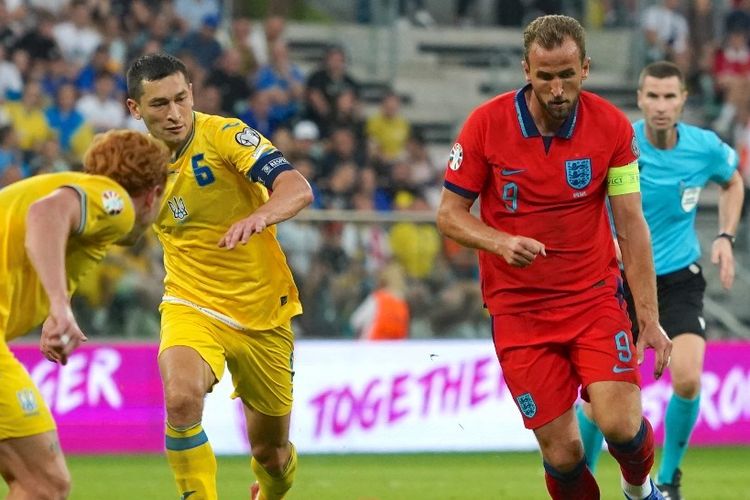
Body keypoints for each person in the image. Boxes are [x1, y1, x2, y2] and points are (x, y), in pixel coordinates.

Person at [436, 15, 672, 500]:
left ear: (585, 68)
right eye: (545, 76)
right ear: (526, 69)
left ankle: (640, 491)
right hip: (518, 311)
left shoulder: (610, 127)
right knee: (563, 455)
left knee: (621, 424)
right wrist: (500, 241)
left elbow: (630, 224)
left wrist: (648, 317)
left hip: (592, 299)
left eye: (567, 74)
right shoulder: (485, 125)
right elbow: (448, 215)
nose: (557, 88)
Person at [125, 53, 313, 500]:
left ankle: (268, 493)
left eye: (180, 99)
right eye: (158, 105)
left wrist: (261, 216)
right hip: (191, 302)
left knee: (272, 454)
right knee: (182, 397)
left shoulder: (225, 135)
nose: (173, 114)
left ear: (192, 93)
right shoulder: (133, 164)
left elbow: (297, 188)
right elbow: (120, 229)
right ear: (135, 109)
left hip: (262, 312)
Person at [577, 61, 745, 500]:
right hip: (617, 281)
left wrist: (725, 236)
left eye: (670, 96)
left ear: (684, 99)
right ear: (639, 98)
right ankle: (582, 482)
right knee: (597, 403)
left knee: (688, 378)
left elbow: (733, 182)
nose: (661, 106)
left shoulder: (704, 147)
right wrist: (604, 238)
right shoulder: (619, 141)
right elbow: (582, 197)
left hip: (677, 279)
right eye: (653, 96)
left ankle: (668, 481)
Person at [0, 129, 169, 499]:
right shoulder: (118, 204)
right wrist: (59, 307)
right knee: (43, 484)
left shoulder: (66, 192)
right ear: (153, 193)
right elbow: (47, 214)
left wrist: (53, 306)